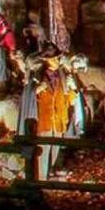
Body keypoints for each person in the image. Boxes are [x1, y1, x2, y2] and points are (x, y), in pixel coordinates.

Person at [33, 44, 83, 179]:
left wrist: (73, 89)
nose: (56, 61)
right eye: (53, 59)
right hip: (45, 118)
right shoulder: (39, 76)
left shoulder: (63, 76)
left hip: (59, 118)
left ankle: (49, 172)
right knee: (44, 148)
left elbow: (71, 98)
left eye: (57, 58)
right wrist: (37, 90)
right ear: (46, 61)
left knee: (55, 148)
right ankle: (42, 177)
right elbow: (29, 95)